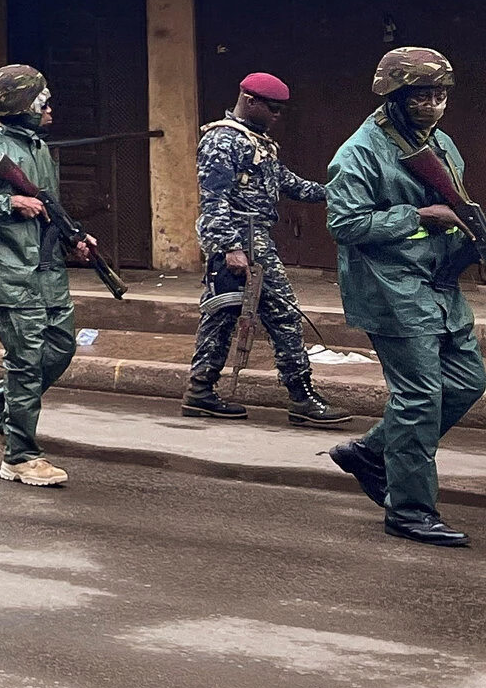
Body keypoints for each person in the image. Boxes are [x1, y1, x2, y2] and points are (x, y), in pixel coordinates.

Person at [324, 47, 485, 548]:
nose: (433, 105)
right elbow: (344, 223)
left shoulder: (440, 144)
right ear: (394, 96)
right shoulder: (360, 153)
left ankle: (372, 453)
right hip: (391, 289)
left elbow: (453, 203)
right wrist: (418, 218)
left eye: (439, 95)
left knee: (467, 380)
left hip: (439, 285)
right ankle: (410, 510)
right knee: (419, 397)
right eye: (420, 96)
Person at [0, 63, 100, 487]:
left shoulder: (39, 149)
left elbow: (49, 208)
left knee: (60, 349)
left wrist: (75, 237)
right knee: (26, 363)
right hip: (7, 273)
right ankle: (20, 455)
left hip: (46, 269)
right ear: (24, 107)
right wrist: (6, 204)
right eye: (43, 102)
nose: (51, 109)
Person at [183, 74, 347, 425]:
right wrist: (230, 247)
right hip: (243, 241)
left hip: (253, 239)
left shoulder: (257, 142)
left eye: (280, 110)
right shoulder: (222, 140)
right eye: (272, 108)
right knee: (284, 315)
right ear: (249, 99)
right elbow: (214, 199)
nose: (277, 115)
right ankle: (301, 397)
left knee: (222, 316)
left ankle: (200, 392)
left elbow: (287, 183)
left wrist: (336, 193)